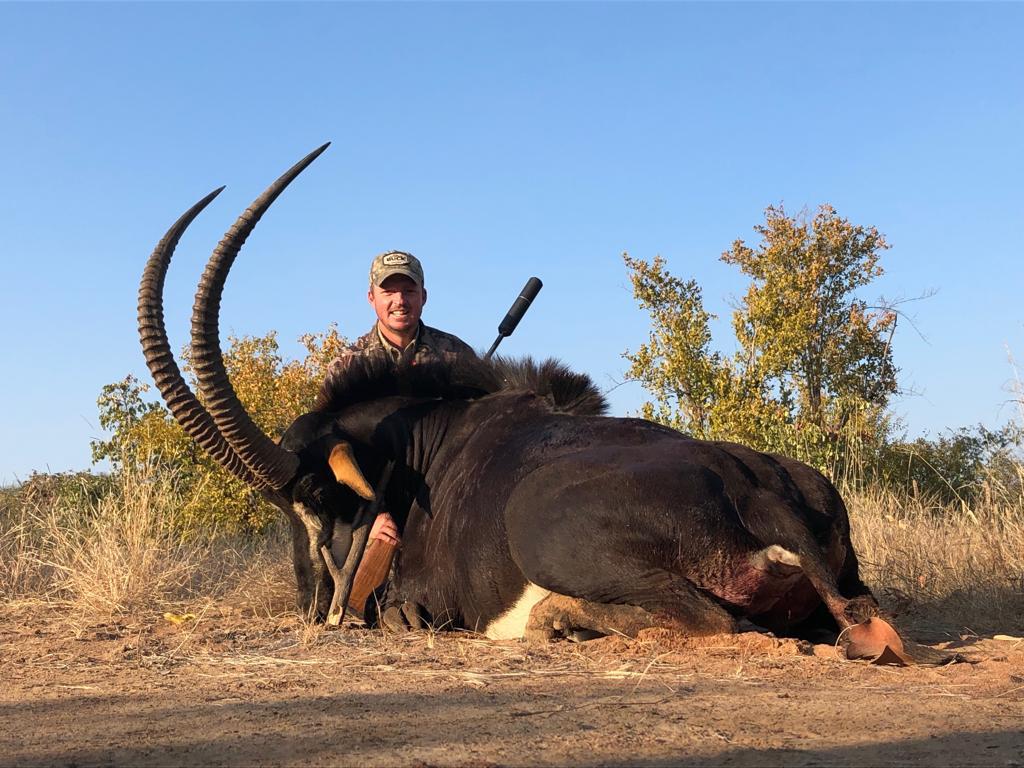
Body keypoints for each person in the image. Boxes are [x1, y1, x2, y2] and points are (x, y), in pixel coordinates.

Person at [324, 250, 476, 547]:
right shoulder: (347, 367)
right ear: (371, 298)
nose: (400, 300)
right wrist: (366, 517)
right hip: (377, 511)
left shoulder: (458, 356)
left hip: (447, 498)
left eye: (409, 291)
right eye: (389, 292)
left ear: (424, 296)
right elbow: (328, 456)